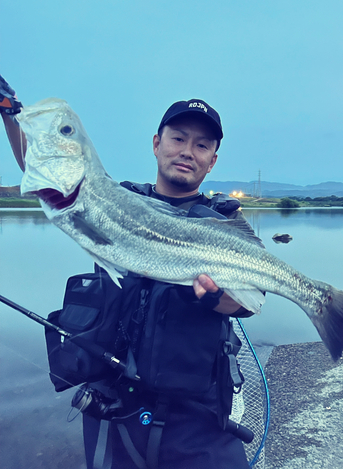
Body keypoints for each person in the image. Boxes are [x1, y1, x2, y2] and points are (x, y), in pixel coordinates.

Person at [1, 75, 259, 469]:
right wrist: (9, 114)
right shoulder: (116, 201)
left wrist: (214, 297)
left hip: (199, 417)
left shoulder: (222, 225)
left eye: (202, 144)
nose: (187, 151)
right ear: (157, 144)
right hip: (114, 406)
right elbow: (50, 172)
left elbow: (248, 301)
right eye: (178, 138)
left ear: (212, 160)